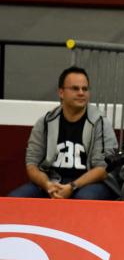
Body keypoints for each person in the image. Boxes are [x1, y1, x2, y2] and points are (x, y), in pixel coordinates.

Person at [9, 66, 118, 200]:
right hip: (51, 182)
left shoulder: (100, 123)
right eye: (75, 88)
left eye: (85, 89)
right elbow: (32, 164)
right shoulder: (45, 123)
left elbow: (103, 169)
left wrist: (72, 186)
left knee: (83, 200)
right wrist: (47, 185)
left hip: (89, 183)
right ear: (61, 92)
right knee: (14, 199)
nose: (81, 93)